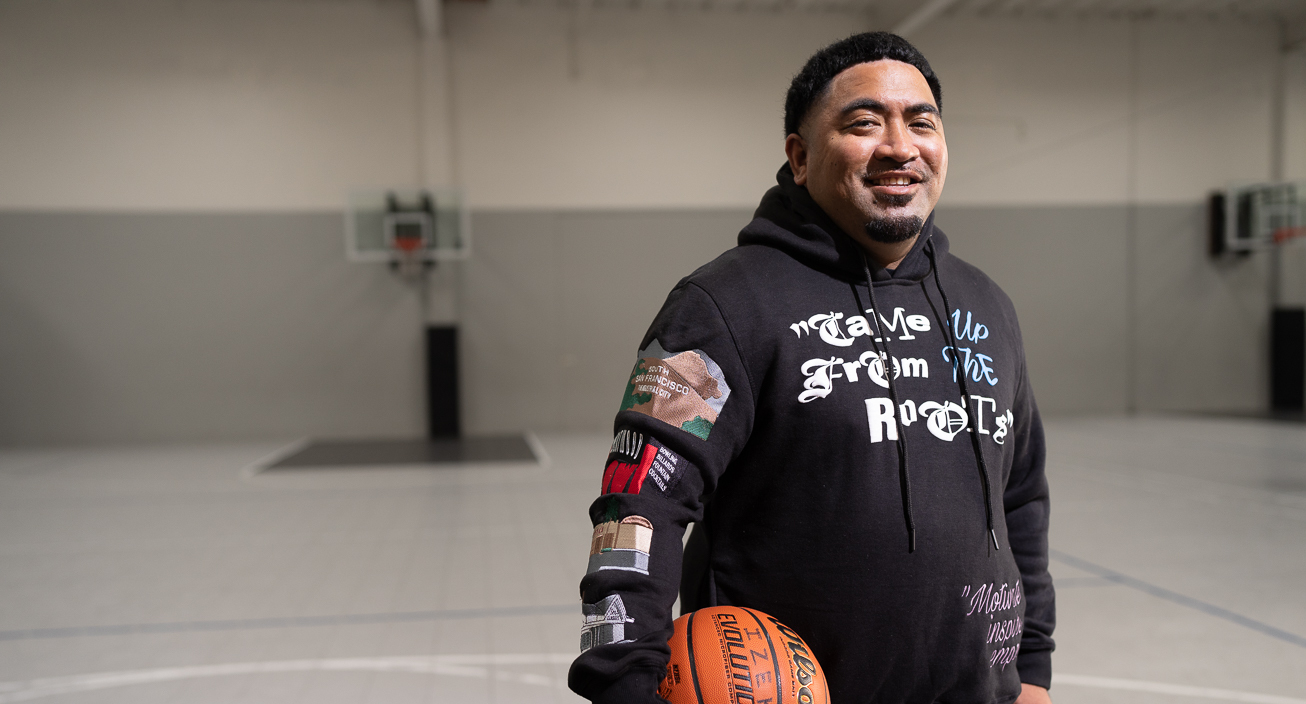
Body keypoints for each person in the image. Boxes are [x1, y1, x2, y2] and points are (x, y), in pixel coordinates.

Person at [569, 32, 1054, 704]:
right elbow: (638, 502)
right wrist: (624, 682)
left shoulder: (986, 306)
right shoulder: (722, 308)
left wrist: (1032, 672)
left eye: (922, 121)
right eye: (863, 122)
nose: (899, 145)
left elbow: (1022, 497)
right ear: (799, 156)